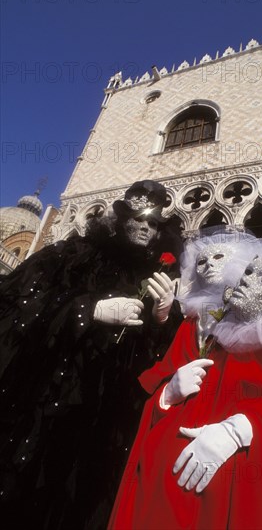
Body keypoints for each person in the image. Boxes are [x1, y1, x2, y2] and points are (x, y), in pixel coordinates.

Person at [108, 233, 262, 530]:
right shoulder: (190, 325)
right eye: (200, 262)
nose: (207, 268)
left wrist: (236, 431)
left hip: (224, 486)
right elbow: (152, 385)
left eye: (219, 259)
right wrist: (167, 394)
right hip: (163, 481)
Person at [0, 180, 183, 530]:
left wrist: (161, 320)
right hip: (44, 401)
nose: (146, 228)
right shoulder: (72, 255)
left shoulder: (155, 278)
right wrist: (88, 310)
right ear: (120, 219)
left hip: (103, 417)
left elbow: (156, 363)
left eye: (154, 223)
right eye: (139, 218)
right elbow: (16, 307)